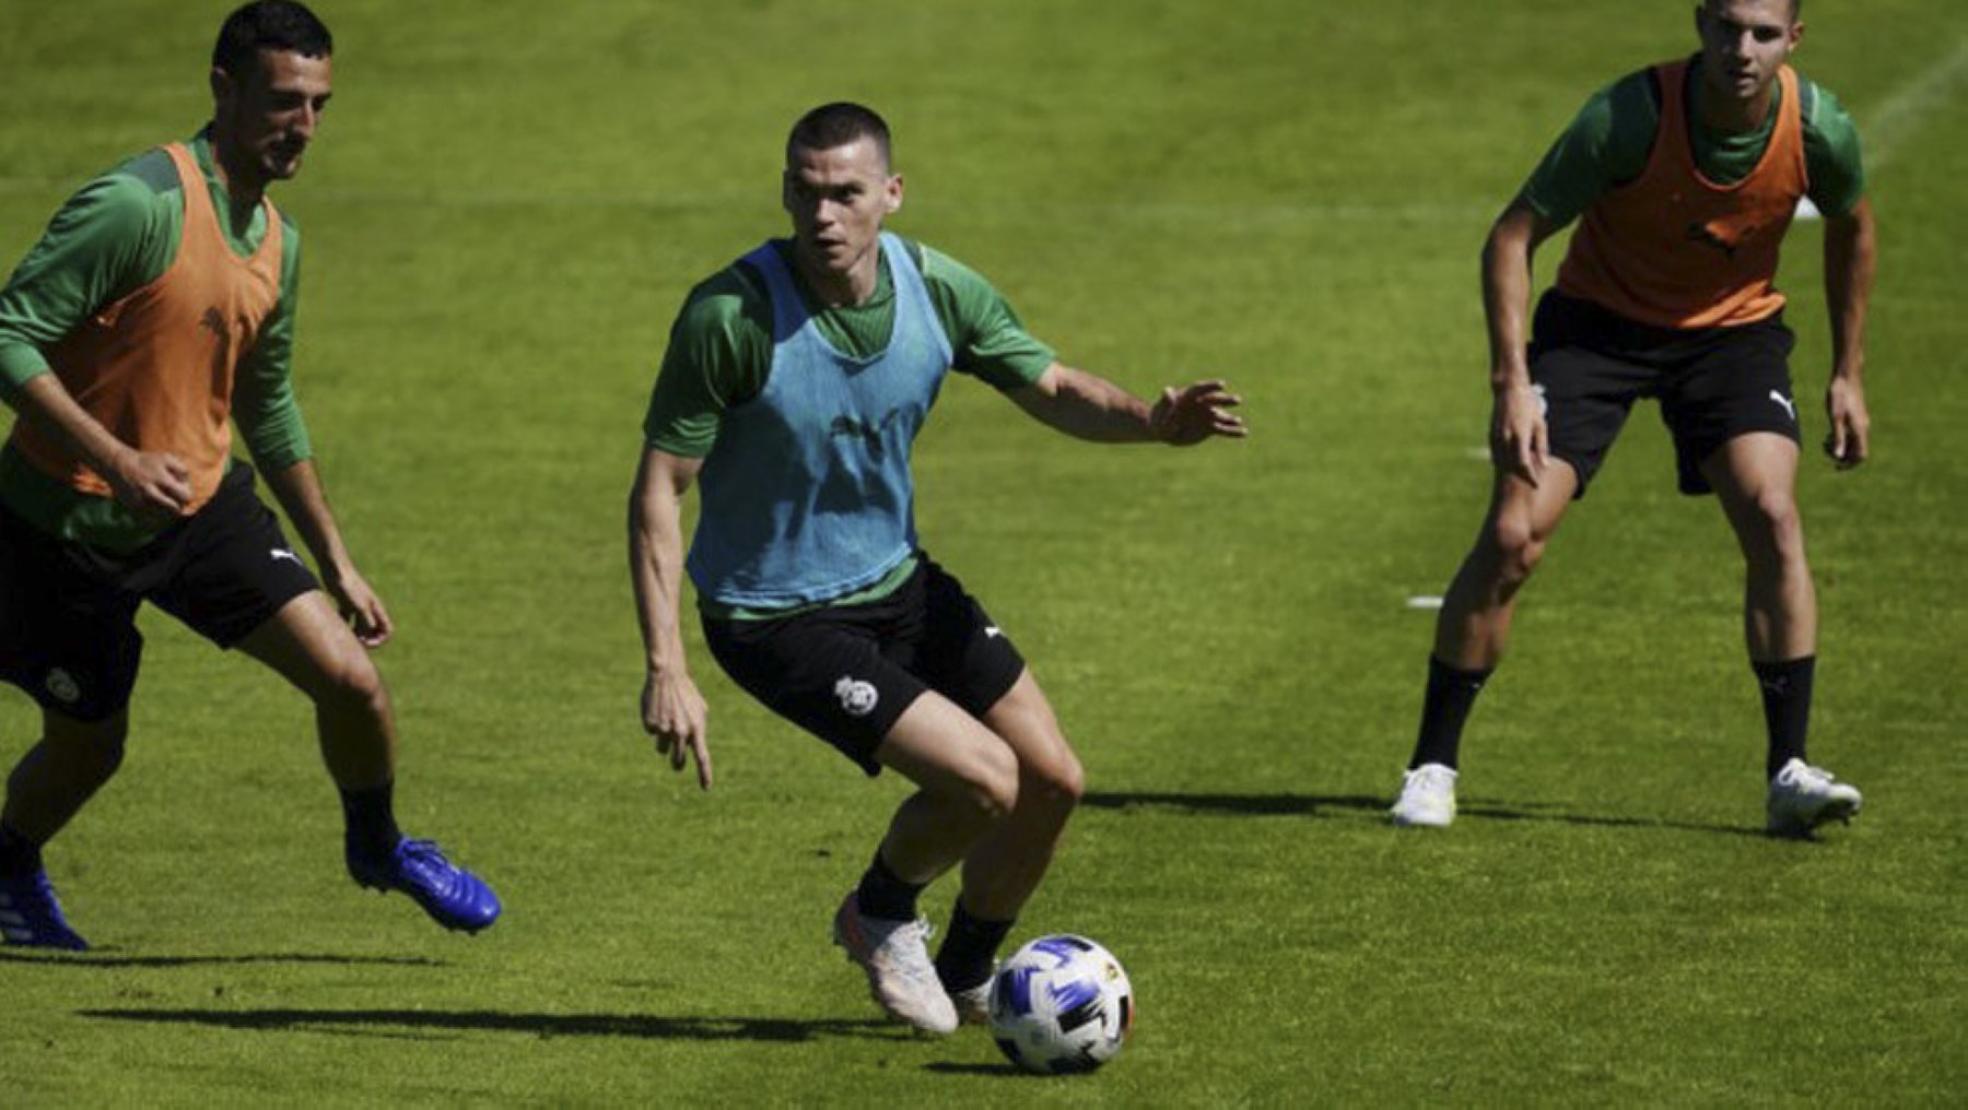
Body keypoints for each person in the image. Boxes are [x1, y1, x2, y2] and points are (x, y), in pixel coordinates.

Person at [629, 102, 1244, 1035]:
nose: (824, 216)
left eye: (845, 194)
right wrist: (668, 665)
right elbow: (659, 491)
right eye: (805, 192)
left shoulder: (935, 289)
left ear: (891, 195)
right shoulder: (730, 317)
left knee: (1051, 782)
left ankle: (964, 970)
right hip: (774, 615)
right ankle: (878, 912)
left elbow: (1053, 386)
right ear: (785, 192)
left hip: (897, 583)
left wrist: (1150, 422)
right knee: (984, 781)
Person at [0, 1, 498, 949]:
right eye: (282, 101)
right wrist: (114, 456)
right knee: (88, 746)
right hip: (59, 528)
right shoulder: (138, 205)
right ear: (223, 89)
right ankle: (9, 860)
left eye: (318, 104)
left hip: (196, 509)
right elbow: (8, 333)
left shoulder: (276, 239)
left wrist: (337, 561)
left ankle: (378, 846)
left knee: (351, 683)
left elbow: (266, 407)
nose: (303, 126)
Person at [1391, 0, 1874, 836]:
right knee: (1513, 536)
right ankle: (1431, 767)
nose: (1742, 50)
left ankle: (1788, 771)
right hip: (1595, 333)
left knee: (1773, 513)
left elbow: (1853, 229)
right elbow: (1512, 237)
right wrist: (1511, 381)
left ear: (1793, 39)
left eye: (1763, 33)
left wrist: (1847, 373)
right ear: (1701, 25)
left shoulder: (1820, 128)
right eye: (1727, 28)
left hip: (1732, 337)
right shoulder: (1629, 117)